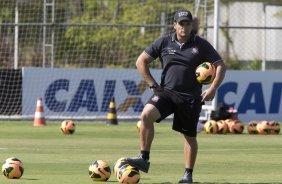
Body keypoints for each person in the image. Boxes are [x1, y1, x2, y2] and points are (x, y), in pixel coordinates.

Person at [125, 8, 226, 183]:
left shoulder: (200, 44)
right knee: (146, 115)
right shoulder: (164, 42)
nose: (184, 28)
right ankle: (144, 157)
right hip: (166, 93)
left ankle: (188, 175)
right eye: (181, 24)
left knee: (189, 137)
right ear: (174, 25)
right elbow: (141, 61)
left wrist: (213, 88)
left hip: (190, 98)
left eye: (187, 24)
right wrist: (153, 84)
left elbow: (221, 66)